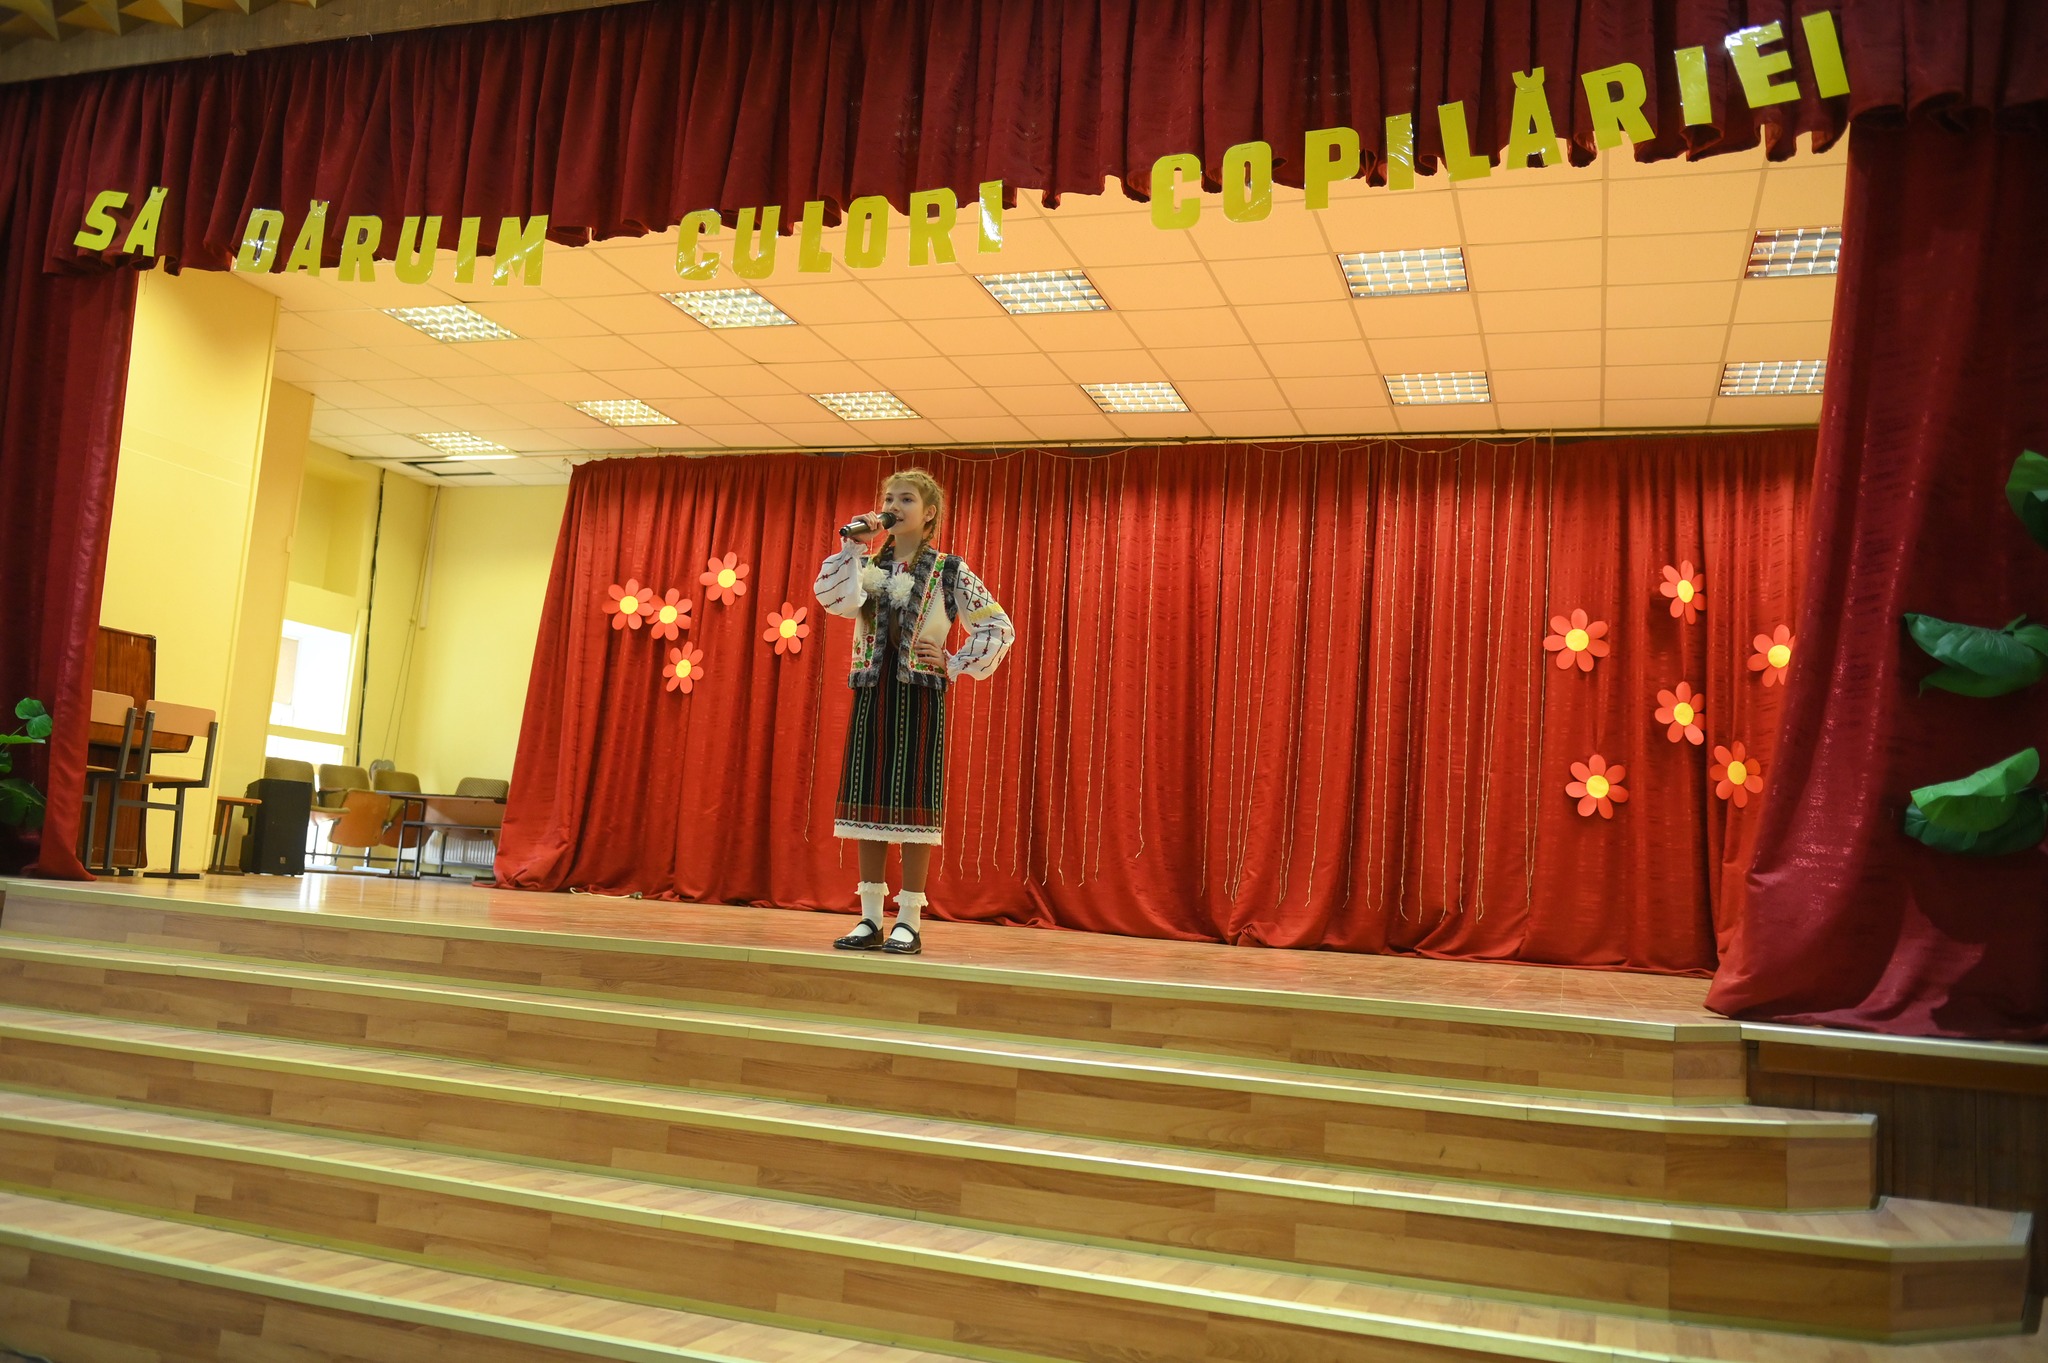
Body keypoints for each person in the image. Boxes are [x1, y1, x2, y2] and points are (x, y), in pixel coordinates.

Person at [813, 468, 1014, 955]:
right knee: (866, 801)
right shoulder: (866, 564)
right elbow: (835, 600)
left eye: (905, 499)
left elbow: (997, 626)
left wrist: (953, 661)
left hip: (919, 695)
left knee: (913, 801)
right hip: (871, 690)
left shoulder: (949, 569)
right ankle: (869, 918)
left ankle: (908, 919)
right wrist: (852, 547)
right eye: (888, 498)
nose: (893, 506)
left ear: (929, 514)